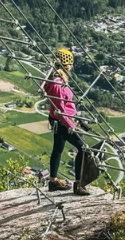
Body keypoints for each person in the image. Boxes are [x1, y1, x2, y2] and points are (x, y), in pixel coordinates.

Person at [44, 48, 91, 196]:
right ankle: (78, 184)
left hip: (58, 120)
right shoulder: (58, 83)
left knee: (58, 149)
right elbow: (61, 109)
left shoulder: (54, 78)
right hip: (63, 121)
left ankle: (53, 182)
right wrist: (72, 126)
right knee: (83, 149)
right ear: (67, 64)